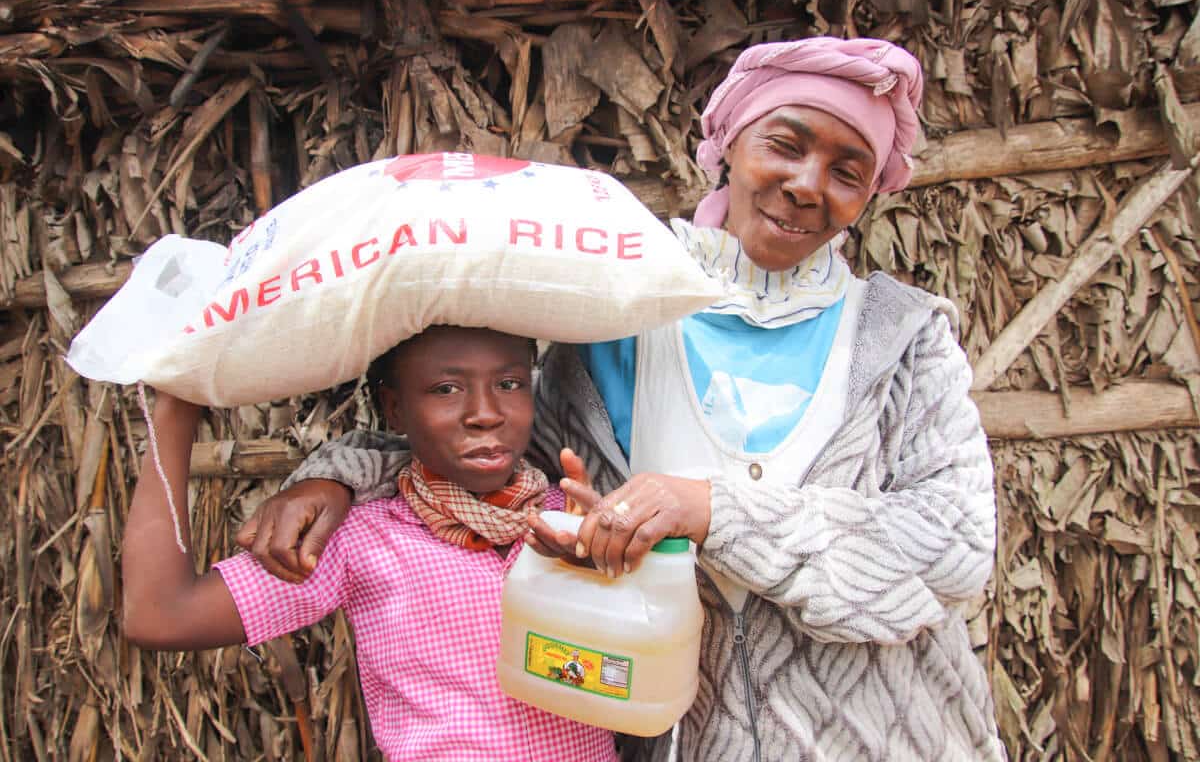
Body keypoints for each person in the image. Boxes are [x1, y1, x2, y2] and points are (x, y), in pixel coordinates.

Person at [242, 37, 1005, 761]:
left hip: (896, 736)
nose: (808, 184)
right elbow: (476, 439)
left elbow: (955, 543)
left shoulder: (901, 340)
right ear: (728, 144)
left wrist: (712, 511)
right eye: (786, 143)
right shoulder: (618, 317)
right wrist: (338, 475)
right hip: (681, 739)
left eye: (848, 170)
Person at [120, 326, 617, 762]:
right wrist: (178, 405)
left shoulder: (574, 517)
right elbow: (160, 615)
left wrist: (609, 569)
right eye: (446, 389)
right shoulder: (365, 537)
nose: (485, 414)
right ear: (394, 408)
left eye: (509, 384)